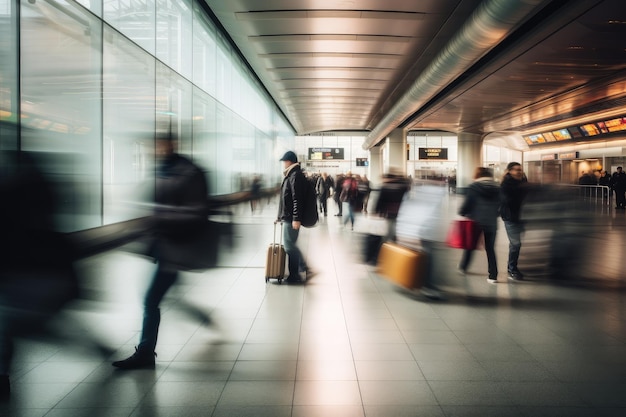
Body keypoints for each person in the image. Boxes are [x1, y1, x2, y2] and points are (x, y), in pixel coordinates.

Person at [112, 132, 210, 369]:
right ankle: (204, 318)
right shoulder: (164, 169)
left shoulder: (187, 172)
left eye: (157, 145)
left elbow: (196, 211)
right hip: (164, 246)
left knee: (151, 299)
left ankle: (146, 352)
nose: (152, 150)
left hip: (176, 248)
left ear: (170, 145)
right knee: (165, 294)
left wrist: (159, 213)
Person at [458, 167, 501, 283]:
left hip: (475, 222)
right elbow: (501, 205)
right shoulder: (498, 187)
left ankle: (463, 267)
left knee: (470, 246)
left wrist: (462, 212)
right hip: (491, 222)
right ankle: (493, 275)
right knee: (490, 249)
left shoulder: (474, 187)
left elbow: (468, 203)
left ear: (477, 175)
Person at [277, 151, 312, 283]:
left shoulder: (295, 175)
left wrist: (296, 218)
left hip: (291, 218)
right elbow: (286, 199)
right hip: (288, 216)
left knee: (289, 246)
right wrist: (280, 215)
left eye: (284, 162)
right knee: (290, 245)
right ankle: (302, 268)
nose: (283, 164)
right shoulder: (292, 174)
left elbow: (297, 199)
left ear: (289, 162)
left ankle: (295, 275)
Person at [500, 162, 528, 281]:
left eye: (520, 170)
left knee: (517, 244)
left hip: (522, 217)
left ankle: (512, 267)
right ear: (510, 171)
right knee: (516, 244)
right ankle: (512, 269)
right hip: (510, 218)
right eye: (516, 170)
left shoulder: (523, 182)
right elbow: (508, 201)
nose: (519, 172)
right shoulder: (506, 185)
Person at [374, 170, 410, 242]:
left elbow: (380, 199)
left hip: (389, 211)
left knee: (390, 227)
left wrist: (377, 210)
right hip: (400, 210)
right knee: (396, 226)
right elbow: (407, 197)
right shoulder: (402, 185)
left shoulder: (385, 186)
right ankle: (395, 238)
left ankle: (389, 241)